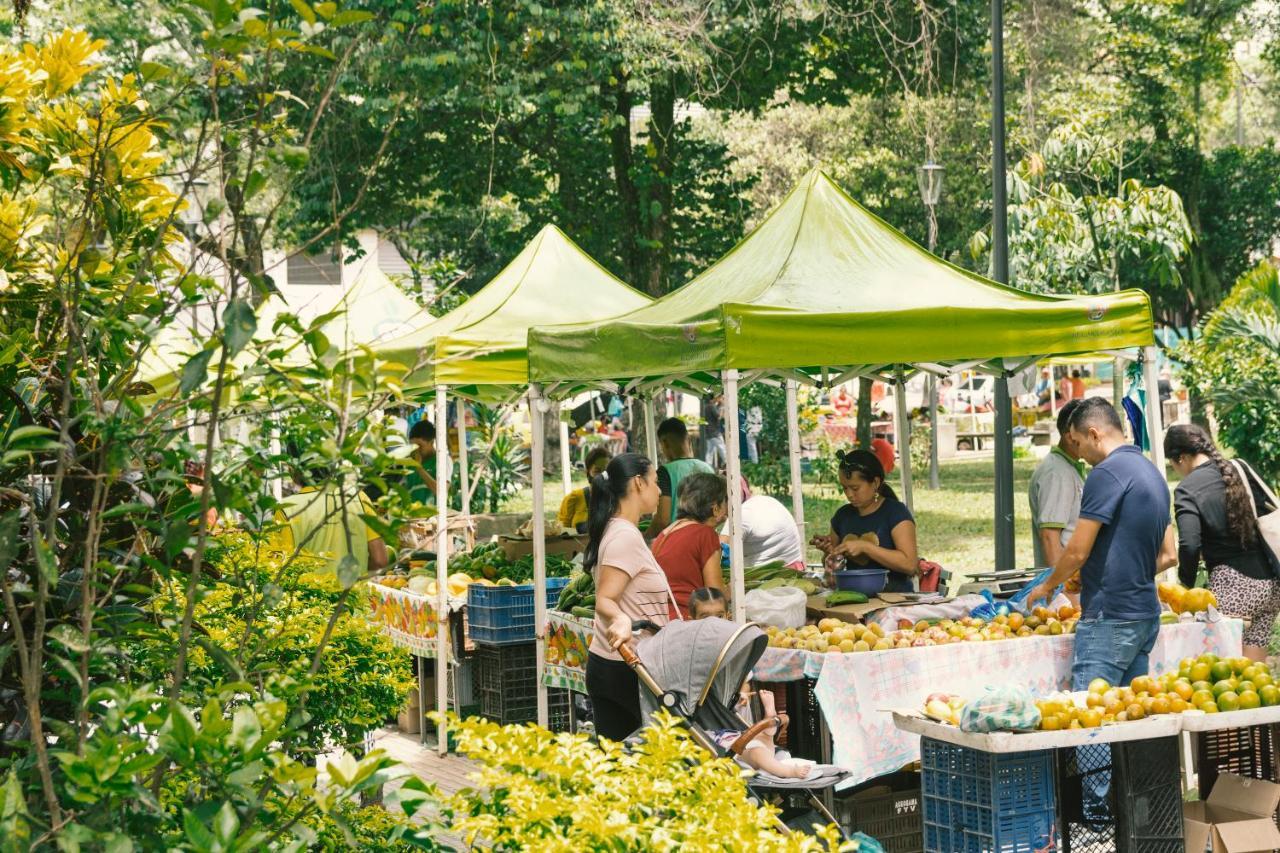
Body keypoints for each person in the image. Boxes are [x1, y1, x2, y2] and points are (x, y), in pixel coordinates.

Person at [1026, 398, 1176, 688]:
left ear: (1094, 434)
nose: (1079, 454)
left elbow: (1078, 550)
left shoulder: (1105, 474)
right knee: (1129, 716)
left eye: (1078, 443)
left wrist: (1047, 585)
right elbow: (1169, 554)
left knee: (1091, 719)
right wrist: (1108, 574)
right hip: (1145, 613)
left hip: (1110, 618)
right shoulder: (1153, 473)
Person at [1166, 424, 1280, 661]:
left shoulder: (1187, 489)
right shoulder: (1239, 468)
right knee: (1252, 674)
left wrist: (1186, 586)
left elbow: (1189, 544)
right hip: (1270, 581)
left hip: (1232, 586)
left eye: (1173, 465)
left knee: (1220, 671)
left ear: (1182, 458)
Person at [584, 453, 675, 741]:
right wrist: (622, 619)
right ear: (638, 483)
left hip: (619, 665)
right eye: (655, 482)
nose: (660, 491)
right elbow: (604, 600)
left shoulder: (620, 529)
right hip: (626, 667)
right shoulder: (623, 535)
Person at [810, 449, 918, 592]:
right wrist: (829, 552)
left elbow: (910, 565)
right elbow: (832, 566)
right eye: (844, 488)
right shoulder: (842, 516)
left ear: (875, 482)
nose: (849, 494)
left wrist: (865, 547)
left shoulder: (896, 513)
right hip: (853, 598)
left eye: (855, 488)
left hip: (894, 601)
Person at [272, 457, 388, 576]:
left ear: (293, 471)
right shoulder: (358, 498)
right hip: (354, 592)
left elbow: (278, 567)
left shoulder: (286, 508)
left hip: (307, 593)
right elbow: (380, 561)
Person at [1029, 400, 1085, 600]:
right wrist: (1065, 592)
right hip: (1067, 592)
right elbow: (1050, 537)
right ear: (1071, 436)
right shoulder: (1057, 473)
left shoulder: (1068, 468)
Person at [652, 472, 728, 619]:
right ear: (715, 508)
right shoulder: (706, 534)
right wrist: (730, 591)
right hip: (687, 619)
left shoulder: (665, 532)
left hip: (661, 618)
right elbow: (714, 594)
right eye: (724, 501)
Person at [649, 417, 714, 540]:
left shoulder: (665, 472)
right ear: (688, 439)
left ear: (665, 443)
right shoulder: (708, 469)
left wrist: (644, 537)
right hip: (705, 542)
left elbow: (663, 520)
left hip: (677, 544)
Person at [740, 487, 805, 570]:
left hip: (774, 575)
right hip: (794, 567)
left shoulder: (743, 513)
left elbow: (722, 551)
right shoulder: (763, 502)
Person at [557, 447, 611, 533]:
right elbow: (560, 532)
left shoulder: (619, 500)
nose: (602, 476)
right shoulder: (574, 499)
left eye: (606, 471)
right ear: (588, 472)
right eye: (597, 471)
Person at [404, 420, 451, 506]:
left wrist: (419, 468)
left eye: (420, 446)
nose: (416, 450)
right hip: (414, 517)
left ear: (431, 442)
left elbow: (441, 492)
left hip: (435, 517)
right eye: (413, 446)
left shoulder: (442, 460)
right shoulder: (409, 464)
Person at [702, 393, 727, 470]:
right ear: (712, 399)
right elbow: (719, 416)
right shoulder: (711, 406)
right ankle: (728, 465)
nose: (718, 399)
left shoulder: (707, 407)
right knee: (722, 449)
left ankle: (707, 469)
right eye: (718, 397)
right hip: (714, 433)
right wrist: (722, 406)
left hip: (709, 433)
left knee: (709, 453)